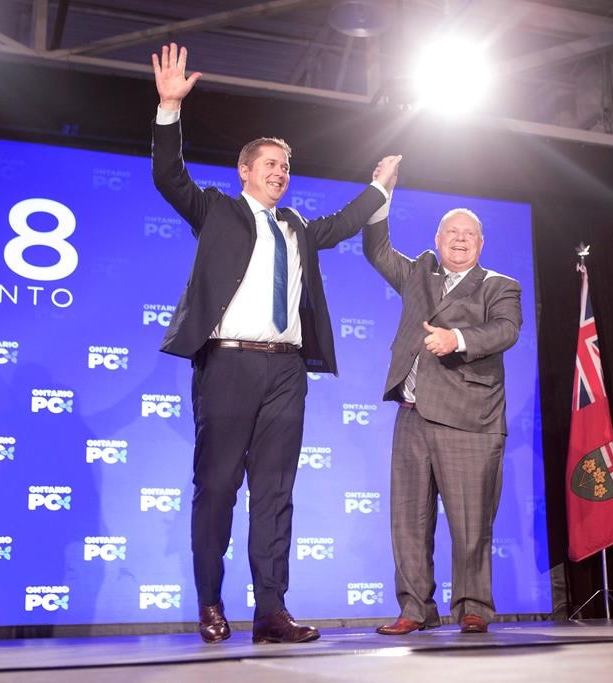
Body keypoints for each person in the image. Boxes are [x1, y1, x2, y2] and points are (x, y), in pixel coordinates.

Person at [150, 43, 401, 644]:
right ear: (245, 170)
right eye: (270, 164)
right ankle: (211, 604)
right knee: (215, 490)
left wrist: (378, 189)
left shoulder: (295, 227)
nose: (280, 173)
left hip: (286, 372)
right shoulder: (214, 210)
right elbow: (167, 176)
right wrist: (167, 107)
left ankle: (271, 612)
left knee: (275, 494)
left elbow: (341, 226)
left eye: (286, 167)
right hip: (228, 363)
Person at [363, 202, 522, 635]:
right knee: (408, 520)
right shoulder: (418, 274)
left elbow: (506, 330)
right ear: (437, 240)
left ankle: (473, 606)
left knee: (471, 522)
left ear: (481, 243)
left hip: (469, 418)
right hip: (413, 414)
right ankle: (415, 609)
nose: (459, 238)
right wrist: (382, 194)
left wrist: (458, 338)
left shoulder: (499, 286)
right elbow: (377, 251)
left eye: (468, 233)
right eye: (451, 231)